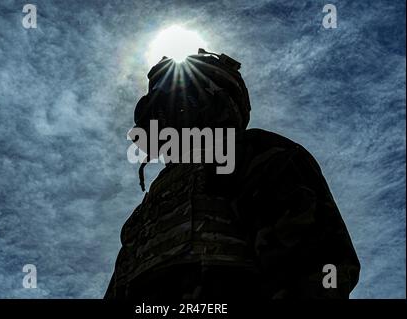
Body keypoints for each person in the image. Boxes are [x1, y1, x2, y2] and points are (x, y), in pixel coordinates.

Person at [105, 49, 360, 300]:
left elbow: (317, 264)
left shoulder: (255, 153)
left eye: (175, 103)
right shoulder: (151, 204)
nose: (164, 117)